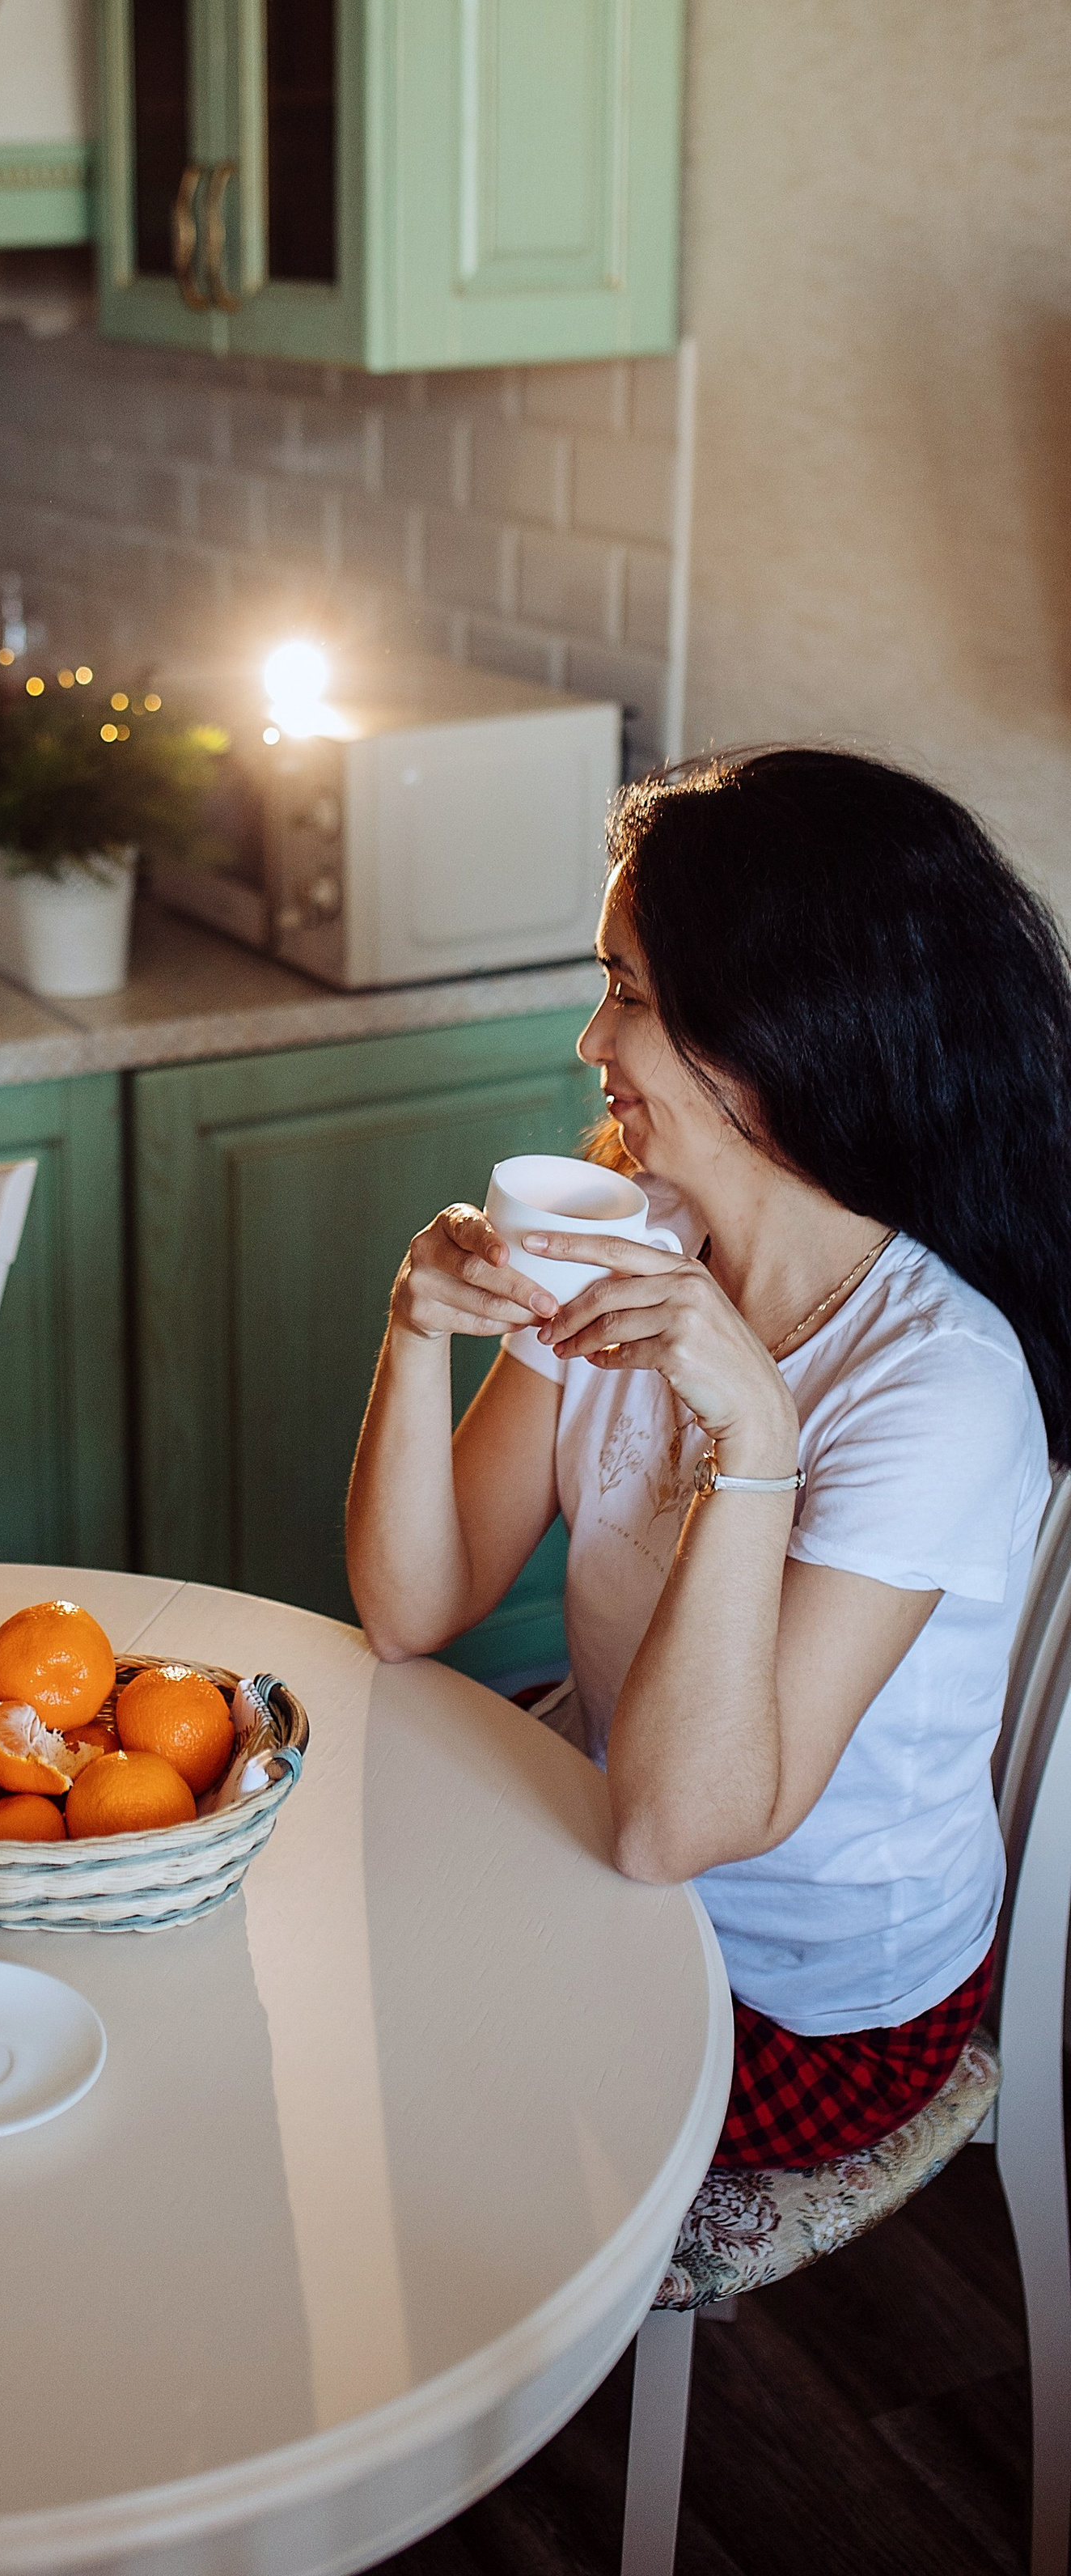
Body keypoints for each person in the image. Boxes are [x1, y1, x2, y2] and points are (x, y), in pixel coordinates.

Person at [346, 748, 1071, 2169]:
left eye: (627, 990)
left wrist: (755, 1437)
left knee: (371, 2064)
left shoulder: (940, 1388)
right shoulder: (635, 1233)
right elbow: (412, 1608)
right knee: (306, 1952)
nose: (589, 1043)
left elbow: (681, 1826)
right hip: (604, 1860)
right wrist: (415, 1330)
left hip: (803, 2004)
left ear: (776, 1029)